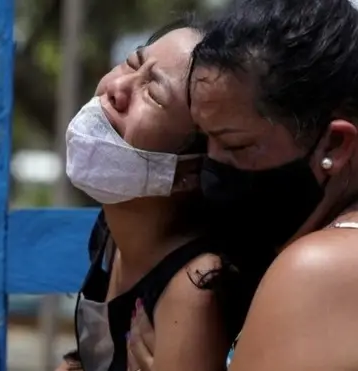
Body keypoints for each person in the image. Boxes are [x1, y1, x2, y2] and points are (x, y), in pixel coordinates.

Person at [128, 0, 358, 370]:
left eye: (237, 146)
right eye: (204, 142)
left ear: (334, 145)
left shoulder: (315, 270)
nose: (213, 169)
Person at [60, 17, 268, 371]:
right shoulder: (111, 234)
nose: (118, 87)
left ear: (190, 171)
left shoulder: (194, 286)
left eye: (154, 94)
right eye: (132, 63)